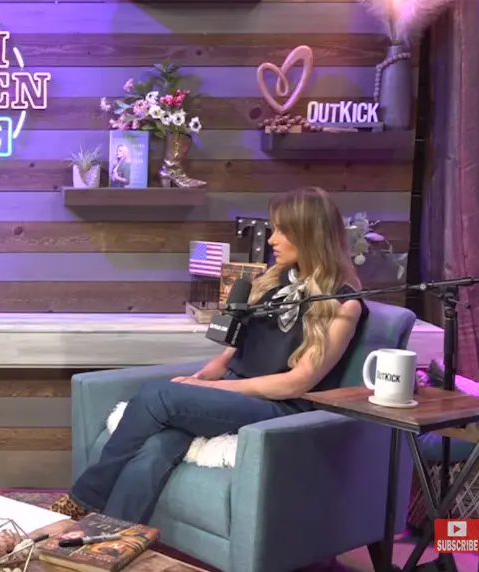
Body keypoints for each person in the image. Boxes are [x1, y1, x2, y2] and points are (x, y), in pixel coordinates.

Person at [50, 186, 367, 523]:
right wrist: (210, 372)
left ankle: (84, 497)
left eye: (282, 231)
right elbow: (238, 345)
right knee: (160, 445)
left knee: (159, 394)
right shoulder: (274, 282)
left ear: (309, 235)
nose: (272, 239)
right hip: (237, 392)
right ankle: (107, 537)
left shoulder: (343, 303)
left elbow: (296, 383)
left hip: (280, 407)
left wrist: (210, 390)